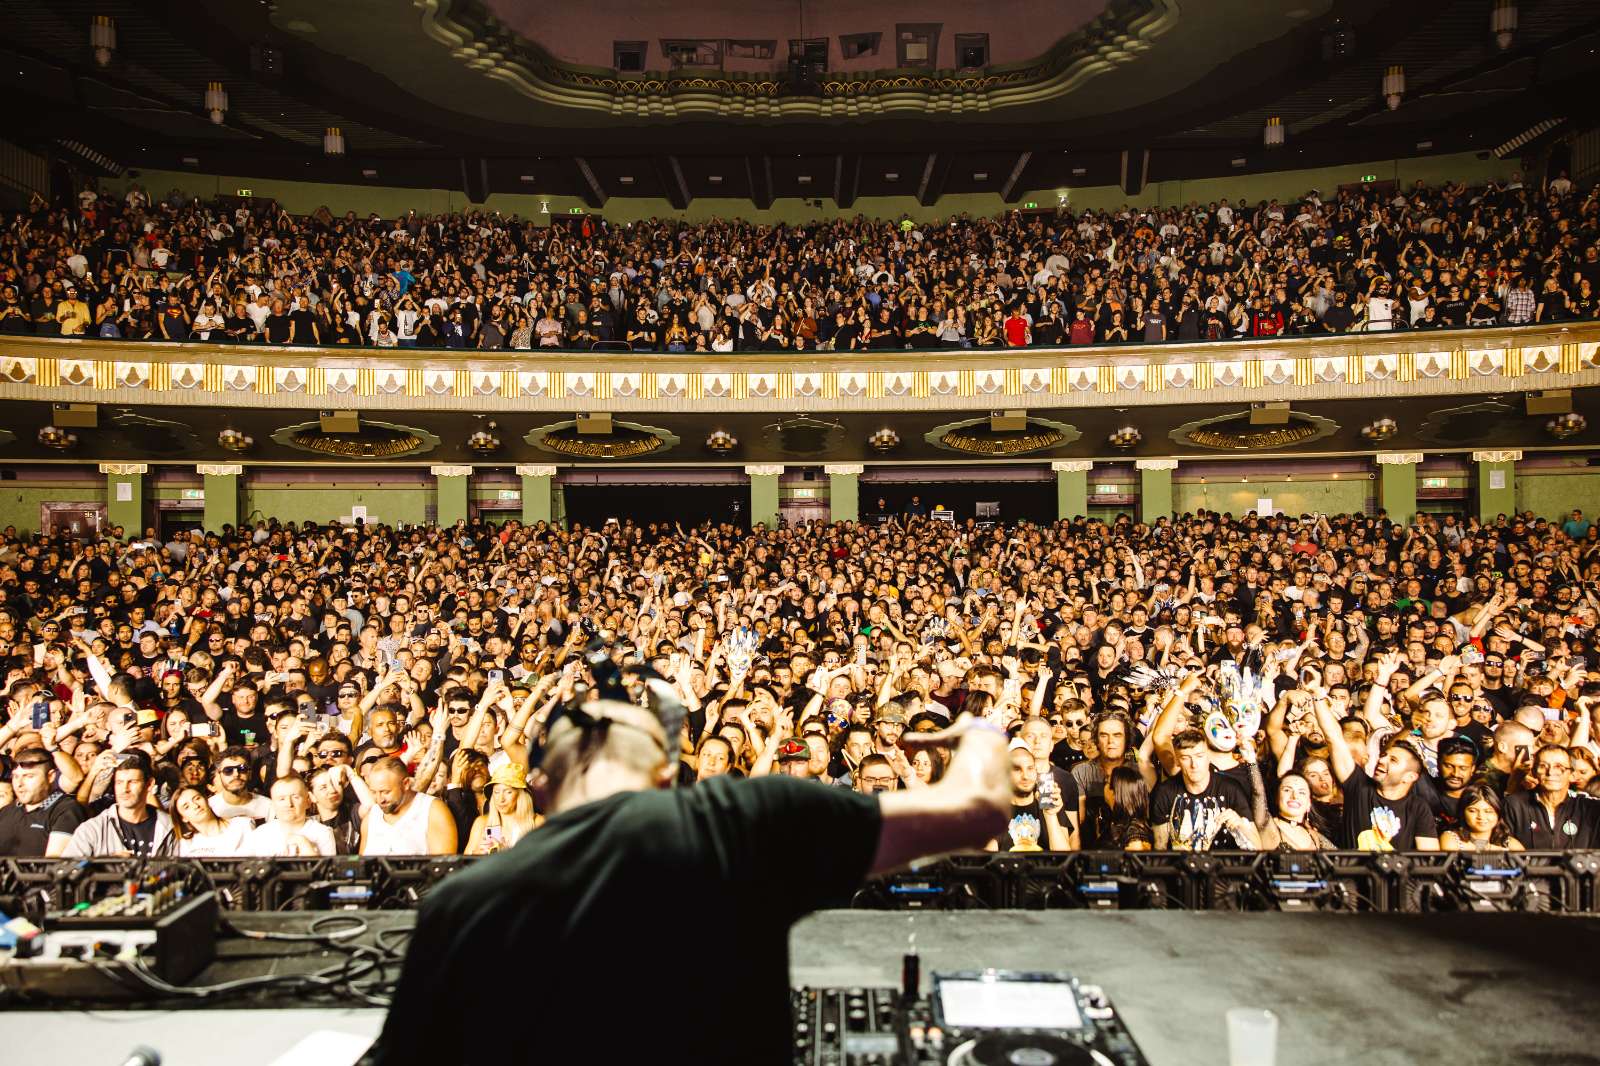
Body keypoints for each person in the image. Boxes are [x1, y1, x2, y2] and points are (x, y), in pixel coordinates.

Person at [370, 704, 1009, 1066]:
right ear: (664, 773)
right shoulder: (740, 818)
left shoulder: (458, 903)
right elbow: (979, 807)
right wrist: (980, 731)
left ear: (539, 785)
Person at [1312, 698, 1438, 851]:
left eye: (1393, 760)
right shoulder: (1358, 786)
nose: (1382, 760)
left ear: (1410, 777)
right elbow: (1333, 737)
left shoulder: (1418, 808)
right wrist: (1317, 696)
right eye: (1384, 755)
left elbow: (1430, 859)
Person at [1149, 729, 1257, 850]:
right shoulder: (1165, 792)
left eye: (1199, 756)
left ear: (1208, 757)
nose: (1194, 764)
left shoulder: (1230, 789)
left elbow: (1259, 847)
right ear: (1177, 761)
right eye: (1185, 758)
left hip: (1224, 866)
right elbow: (1160, 849)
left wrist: (1241, 825)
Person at [63, 751, 176, 857]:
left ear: (149, 784)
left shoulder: (170, 826)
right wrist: (104, 865)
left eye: (132, 782)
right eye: (119, 782)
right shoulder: (92, 829)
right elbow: (66, 872)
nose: (124, 789)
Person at [1502, 746, 1600, 849]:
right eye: (1543, 766)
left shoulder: (1589, 808)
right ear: (1534, 772)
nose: (1550, 772)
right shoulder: (1514, 805)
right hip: (1528, 865)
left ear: (1571, 774)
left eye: (1559, 767)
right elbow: (1499, 842)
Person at [359, 756, 458, 855]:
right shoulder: (371, 818)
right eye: (373, 792)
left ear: (406, 784)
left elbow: (444, 866)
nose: (380, 799)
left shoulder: (433, 811)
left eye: (385, 792)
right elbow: (362, 866)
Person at [0, 746, 86, 856]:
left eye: (29, 776)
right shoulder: (7, 811)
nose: (19, 783)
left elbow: (53, 863)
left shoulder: (66, 809)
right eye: (16, 777)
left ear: (50, 776)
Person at [244, 775, 338, 856]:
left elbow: (325, 874)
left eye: (295, 797)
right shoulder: (260, 834)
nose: (289, 804)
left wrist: (304, 844)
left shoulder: (323, 833)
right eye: (281, 799)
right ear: (273, 804)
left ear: (308, 801)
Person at [170, 784, 253, 857]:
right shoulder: (186, 844)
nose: (195, 806)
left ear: (206, 799)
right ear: (183, 818)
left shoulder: (243, 824)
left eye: (197, 798)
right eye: (186, 806)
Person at [1439, 784, 1522, 852]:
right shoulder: (1451, 839)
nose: (1481, 817)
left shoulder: (1510, 844)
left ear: (1498, 813)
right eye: (1473, 811)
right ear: (1462, 812)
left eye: (1488, 811)